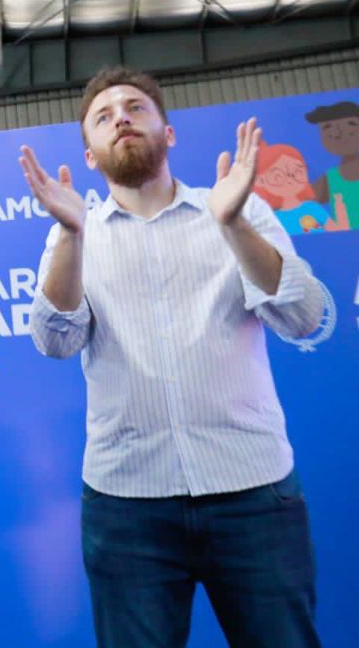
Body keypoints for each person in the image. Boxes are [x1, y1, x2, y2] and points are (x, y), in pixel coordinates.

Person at [20, 66, 326, 647]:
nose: (122, 121)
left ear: (169, 131)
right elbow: (55, 341)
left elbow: (305, 317)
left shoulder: (234, 208)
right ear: (90, 155)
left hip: (254, 493)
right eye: (104, 118)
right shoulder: (76, 232)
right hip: (126, 507)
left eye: (135, 108)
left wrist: (232, 224)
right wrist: (70, 236)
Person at [252, 141, 347, 234]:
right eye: (278, 176)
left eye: (297, 172)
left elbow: (337, 233)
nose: (290, 180)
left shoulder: (312, 208)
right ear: (260, 181)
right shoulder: (273, 219)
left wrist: (341, 213)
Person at [304, 101, 359, 230]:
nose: (338, 133)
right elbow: (301, 202)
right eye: (327, 127)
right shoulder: (331, 179)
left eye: (351, 124)